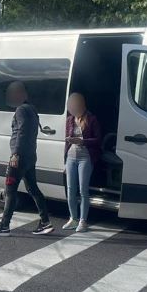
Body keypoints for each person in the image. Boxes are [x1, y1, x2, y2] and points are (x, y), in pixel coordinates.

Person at [0, 81, 53, 236]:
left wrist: (15, 154)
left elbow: (22, 132)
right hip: (30, 156)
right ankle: (45, 221)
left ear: (21, 95)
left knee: (10, 190)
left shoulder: (21, 110)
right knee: (32, 188)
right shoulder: (32, 109)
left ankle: (4, 225)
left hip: (20, 156)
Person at [63, 92, 100, 232]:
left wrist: (82, 141)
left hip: (85, 157)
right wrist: (65, 161)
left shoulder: (92, 119)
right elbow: (66, 143)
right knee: (70, 190)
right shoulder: (69, 120)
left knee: (83, 190)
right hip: (71, 157)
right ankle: (73, 218)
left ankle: (83, 221)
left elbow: (98, 140)